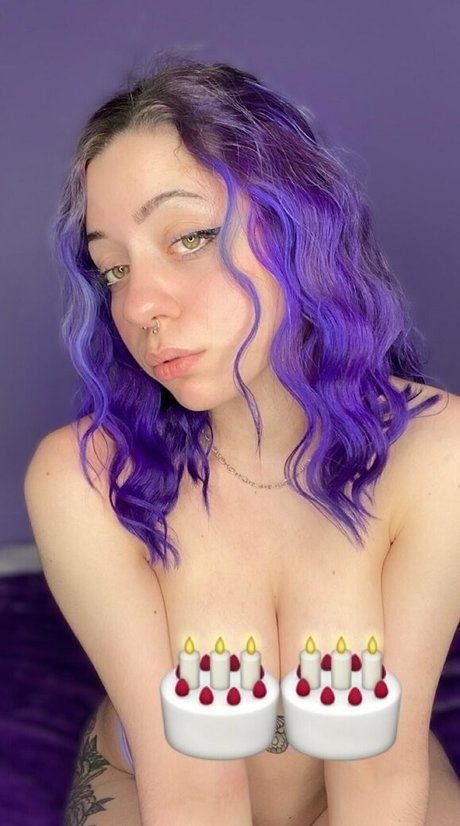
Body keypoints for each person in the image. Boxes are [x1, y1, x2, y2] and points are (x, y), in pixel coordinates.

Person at [23, 53, 460, 826]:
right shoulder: (85, 479)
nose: (141, 306)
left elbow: (379, 777)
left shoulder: (439, 455)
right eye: (113, 269)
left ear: (299, 225)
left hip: (376, 780)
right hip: (154, 787)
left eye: (189, 237)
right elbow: (190, 790)